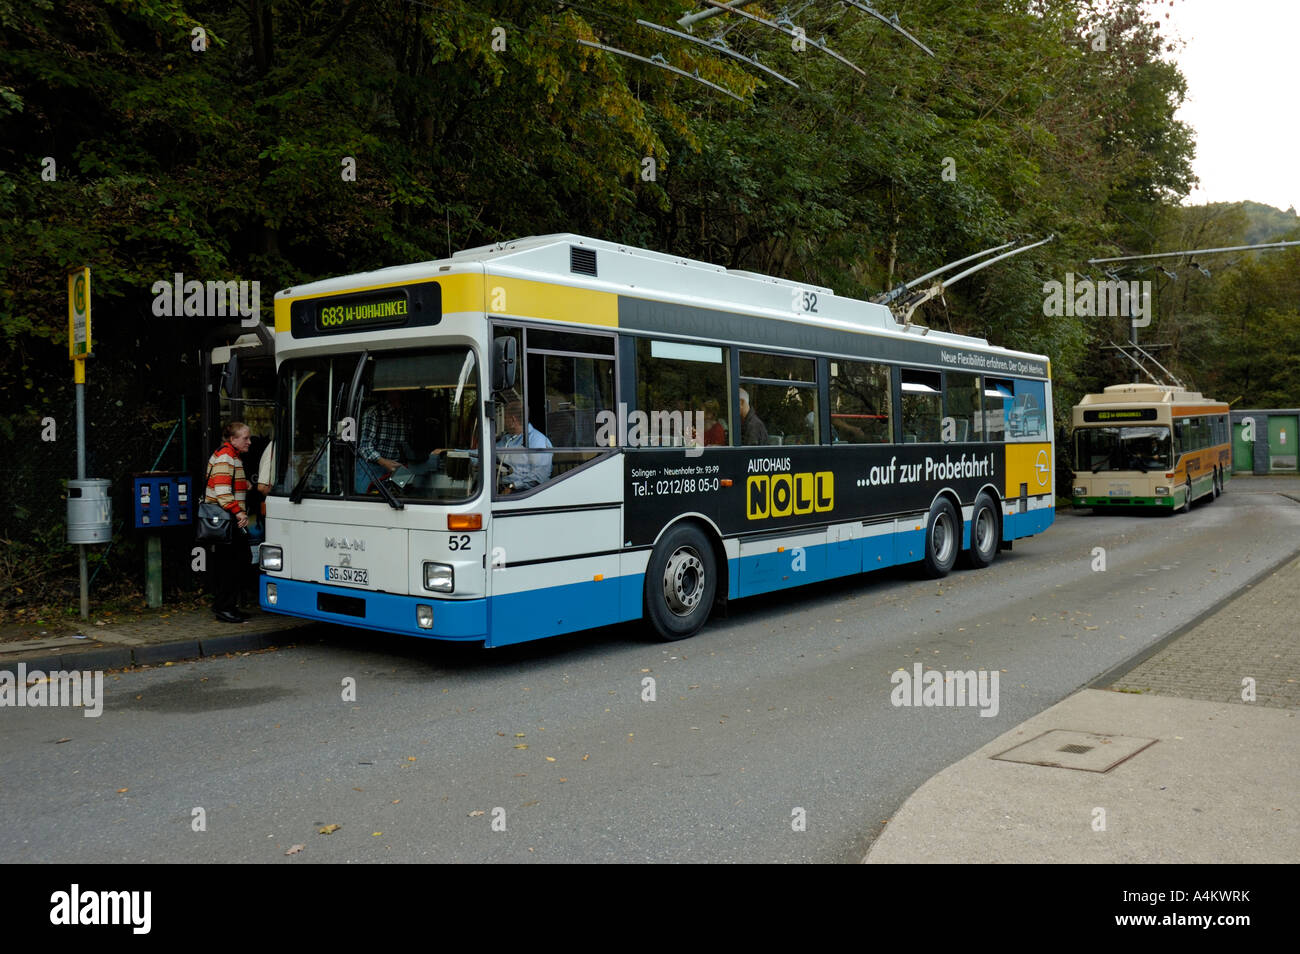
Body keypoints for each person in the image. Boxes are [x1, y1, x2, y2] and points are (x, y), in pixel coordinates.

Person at [205, 421, 252, 624]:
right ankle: (224, 607)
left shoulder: (230, 455)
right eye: (245, 438)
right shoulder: (226, 457)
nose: (249, 442)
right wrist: (238, 513)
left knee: (234, 562)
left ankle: (226, 605)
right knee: (235, 562)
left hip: (229, 518)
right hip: (229, 519)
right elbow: (222, 491)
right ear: (232, 439)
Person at [356, 390, 419, 491]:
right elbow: (364, 448)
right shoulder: (373, 413)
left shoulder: (406, 414)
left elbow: (409, 444)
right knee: (369, 502)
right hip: (371, 468)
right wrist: (384, 463)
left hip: (397, 468)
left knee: (407, 499)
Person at [497, 400, 552, 494]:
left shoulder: (537, 440)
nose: (504, 422)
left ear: (513, 420)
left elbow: (539, 476)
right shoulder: (507, 439)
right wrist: (465, 453)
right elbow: (487, 453)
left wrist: (513, 486)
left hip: (523, 492)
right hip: (500, 486)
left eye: (505, 418)